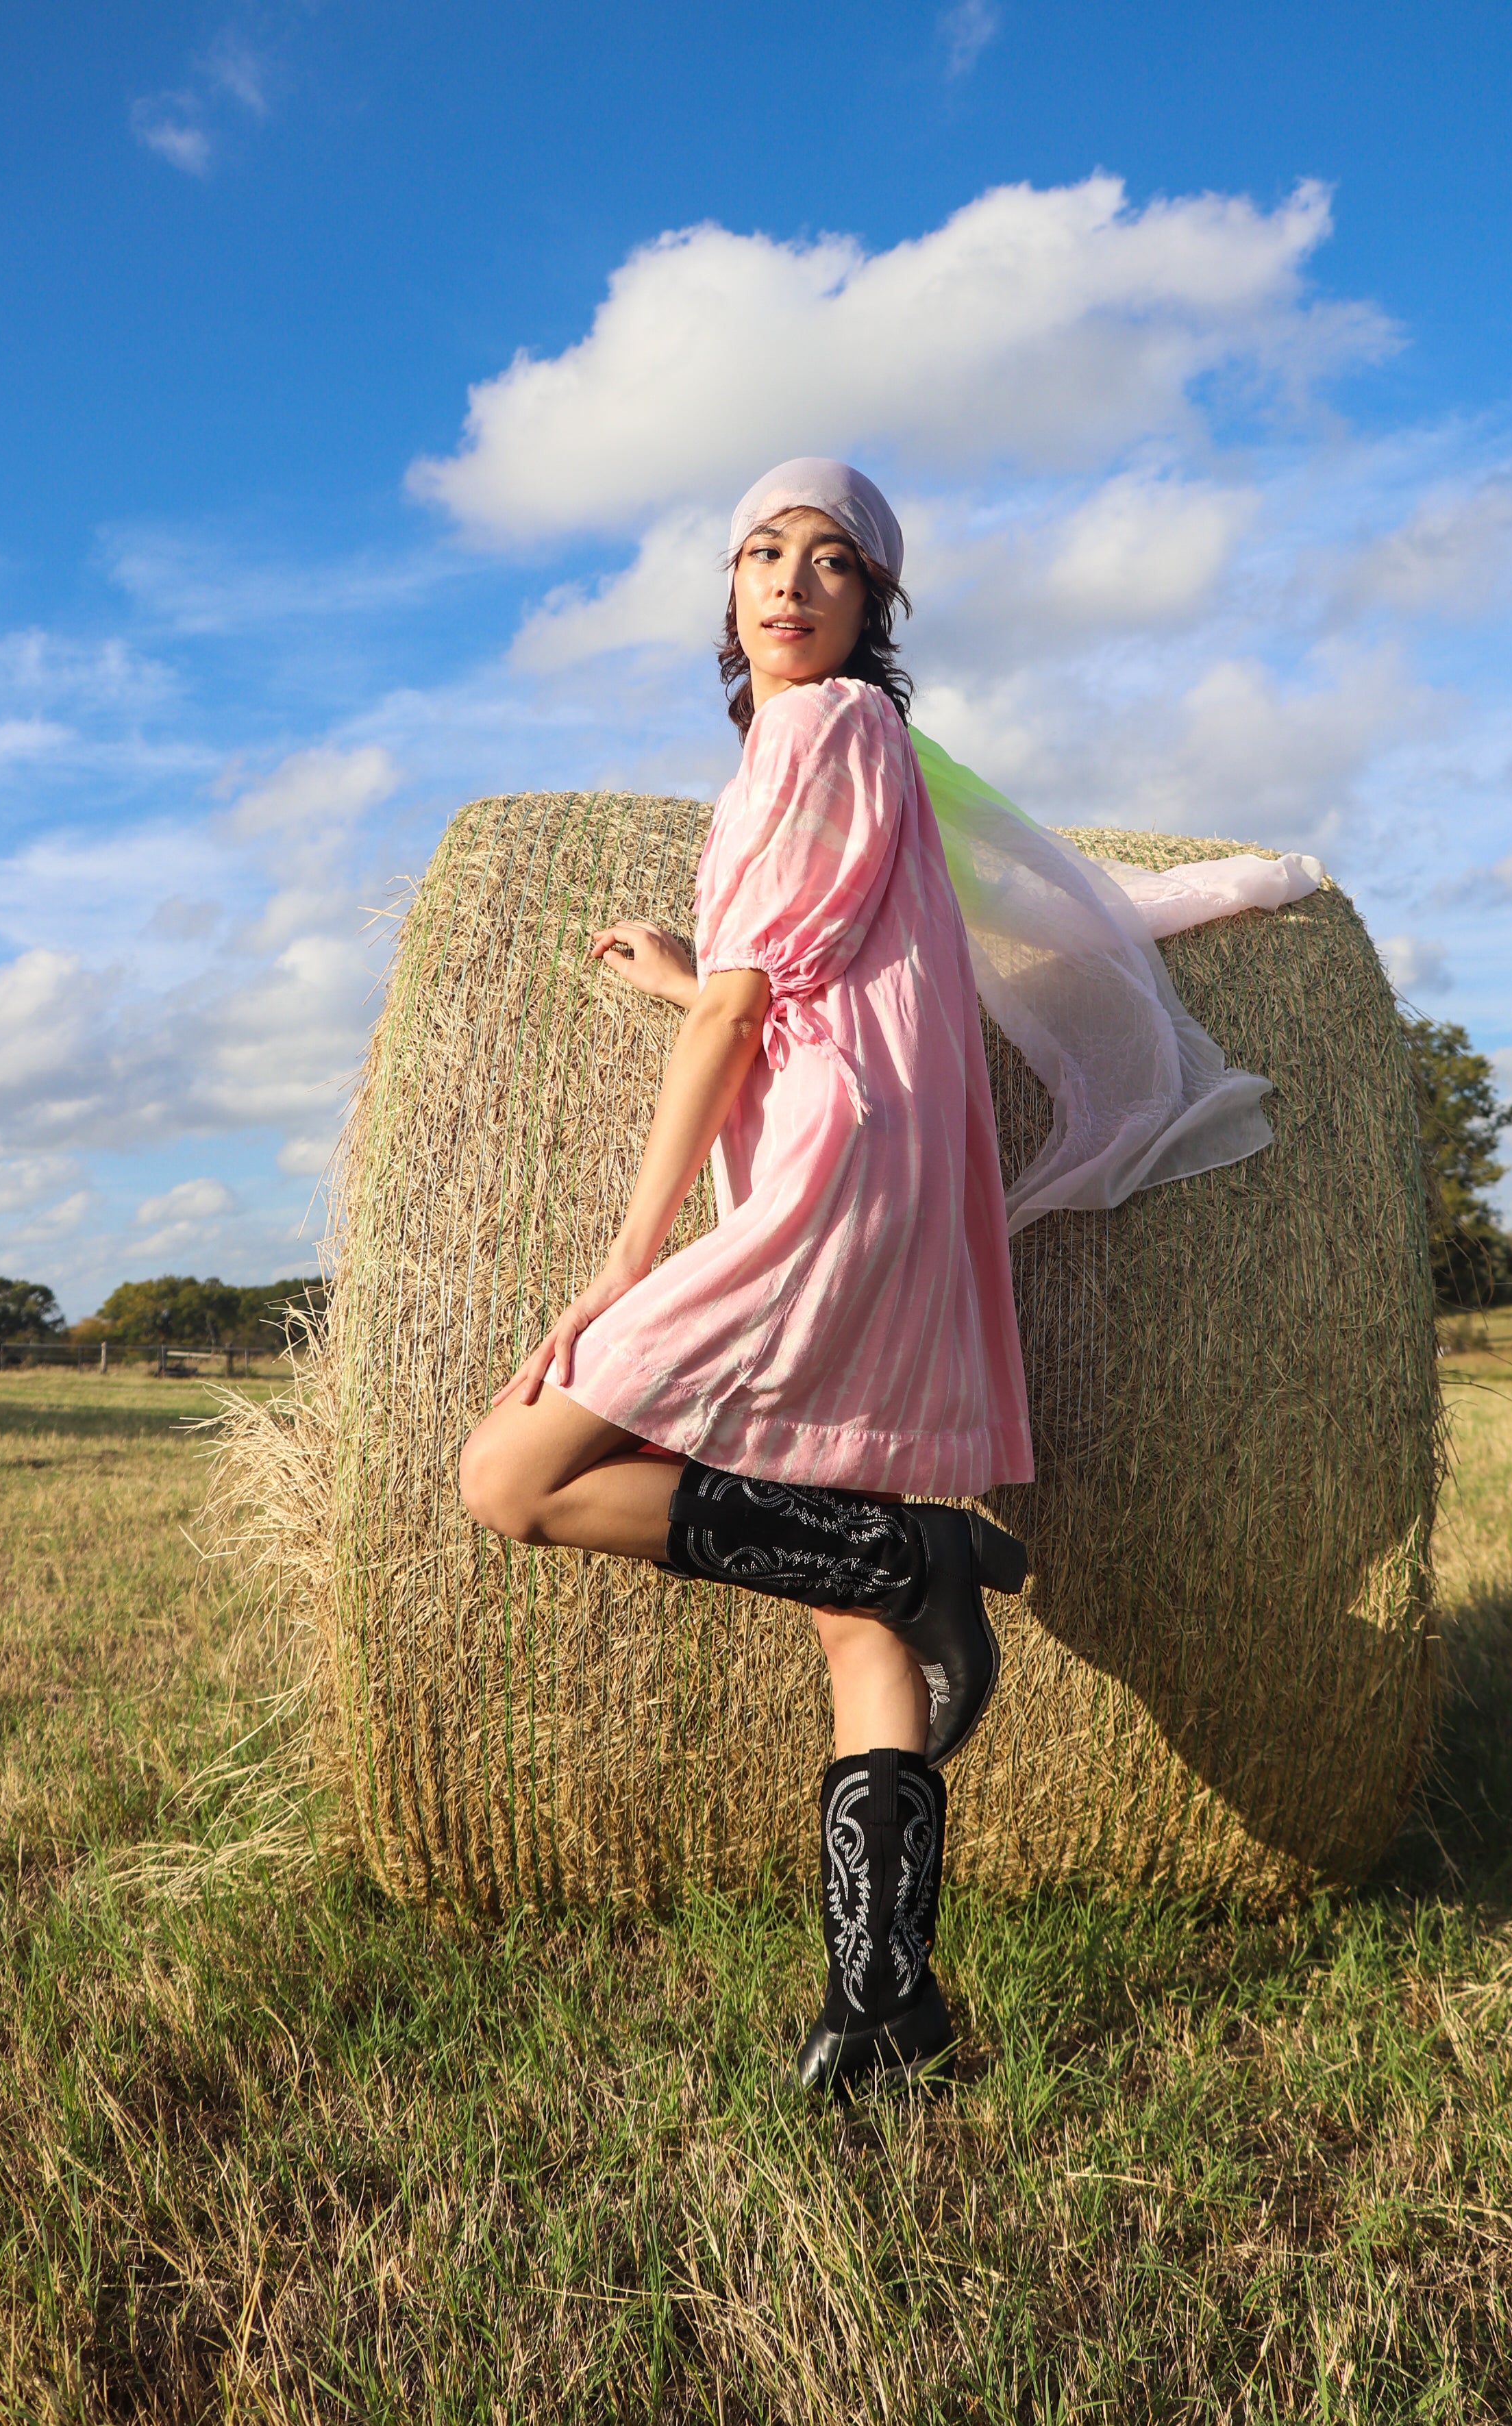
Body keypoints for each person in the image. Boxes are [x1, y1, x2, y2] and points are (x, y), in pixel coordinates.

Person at [458, 457, 1034, 2095]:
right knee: (861, 1629)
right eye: (762, 553)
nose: (789, 580)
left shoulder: (819, 729)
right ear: (726, 591)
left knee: (510, 1474)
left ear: (873, 611)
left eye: (832, 563)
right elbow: (795, 984)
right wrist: (684, 978)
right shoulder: (864, 757)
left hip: (822, 1182)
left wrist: (626, 1256)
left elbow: (746, 1012)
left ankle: (912, 1545)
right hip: (884, 1173)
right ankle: (888, 2014)